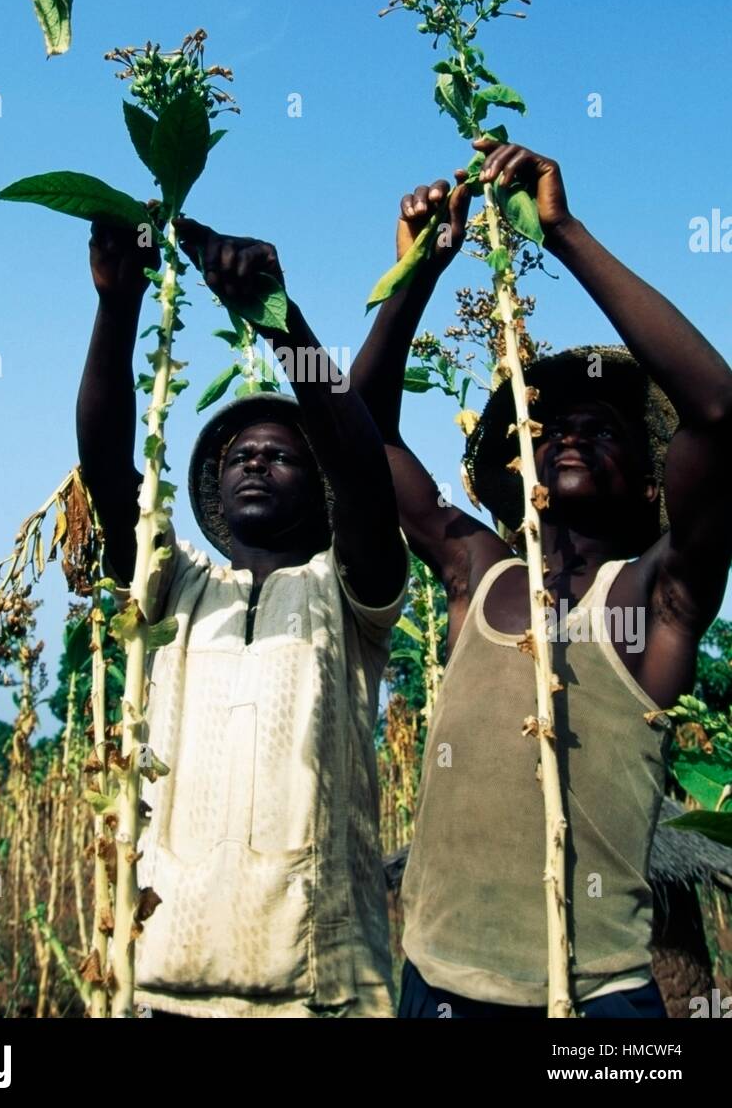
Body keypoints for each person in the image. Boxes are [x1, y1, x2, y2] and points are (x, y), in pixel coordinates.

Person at [352, 137, 732, 1018]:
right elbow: (363, 435)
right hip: (438, 985)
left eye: (602, 428)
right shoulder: (477, 570)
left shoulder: (652, 598)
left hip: (595, 1002)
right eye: (549, 426)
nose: (567, 434)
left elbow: (717, 410)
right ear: (520, 469)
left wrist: (563, 234)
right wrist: (419, 270)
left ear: (651, 481)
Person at [77, 216, 408, 1018]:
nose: (255, 460)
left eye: (281, 452)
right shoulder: (180, 587)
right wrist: (118, 310)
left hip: (322, 994)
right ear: (216, 488)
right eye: (238, 456)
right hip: (162, 983)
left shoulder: (347, 590)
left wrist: (278, 318)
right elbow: (107, 471)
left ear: (317, 482)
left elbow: (365, 475)